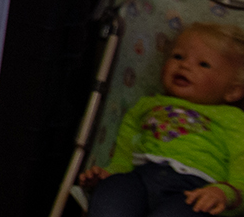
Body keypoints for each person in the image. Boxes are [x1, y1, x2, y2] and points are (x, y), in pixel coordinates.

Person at [79, 22, 244, 216]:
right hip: (138, 178)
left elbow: (240, 172)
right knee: (112, 190)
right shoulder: (147, 106)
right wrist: (110, 173)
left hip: (193, 192)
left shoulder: (234, 119)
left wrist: (223, 193)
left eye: (203, 64)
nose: (184, 65)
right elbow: (124, 152)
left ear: (232, 91)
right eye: (178, 56)